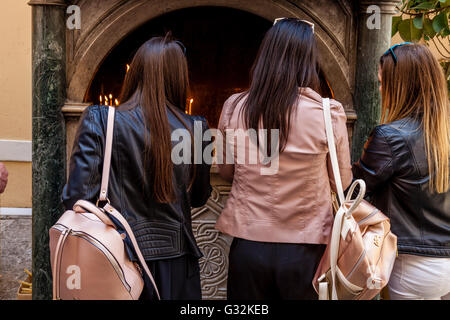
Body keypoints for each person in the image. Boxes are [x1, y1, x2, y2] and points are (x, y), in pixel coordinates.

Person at [62, 35, 212, 300]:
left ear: (136, 72)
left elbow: (76, 198)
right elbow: (200, 196)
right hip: (177, 263)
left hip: (117, 258)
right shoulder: (198, 128)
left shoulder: (100, 119)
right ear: (179, 78)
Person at [215, 18, 352, 300]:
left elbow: (226, 170)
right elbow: (343, 180)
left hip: (248, 247)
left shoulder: (234, 106)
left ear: (266, 55)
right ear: (308, 60)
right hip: (306, 250)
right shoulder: (329, 113)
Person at [353, 43, 450, 300]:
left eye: (384, 83)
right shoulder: (445, 132)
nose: (381, 90)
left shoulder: (390, 137)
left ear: (401, 86)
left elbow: (354, 190)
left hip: (411, 266)